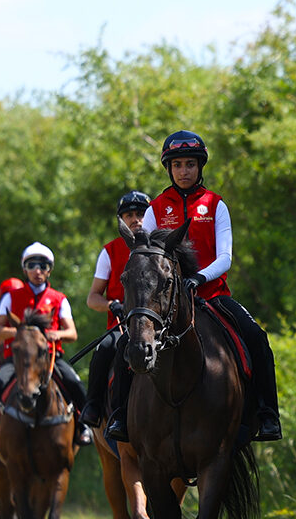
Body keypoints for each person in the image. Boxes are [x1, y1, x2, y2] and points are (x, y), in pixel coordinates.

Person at [105, 131, 282, 443]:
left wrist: (198, 278)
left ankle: (267, 414)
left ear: (200, 167)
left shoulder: (216, 204)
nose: (183, 171)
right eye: (177, 165)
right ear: (169, 169)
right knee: (124, 345)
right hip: (166, 303)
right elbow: (142, 256)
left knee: (256, 336)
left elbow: (225, 256)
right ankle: (119, 415)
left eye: (189, 164)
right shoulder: (155, 208)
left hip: (212, 296)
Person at [0, 243, 93, 450]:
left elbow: (72, 333)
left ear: (49, 270)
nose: (38, 270)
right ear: (24, 269)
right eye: (32, 265)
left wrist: (58, 333)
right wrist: (19, 334)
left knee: (74, 381)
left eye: (43, 265)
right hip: (17, 358)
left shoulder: (59, 299)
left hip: (50, 357)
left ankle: (83, 427)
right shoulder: (11, 297)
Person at [80, 189, 151, 429]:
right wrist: (111, 304)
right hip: (121, 326)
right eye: (129, 215)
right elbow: (92, 298)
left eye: (141, 213)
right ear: (122, 220)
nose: (136, 219)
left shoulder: (160, 246)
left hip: (155, 322)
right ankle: (93, 406)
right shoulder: (109, 252)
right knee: (105, 349)